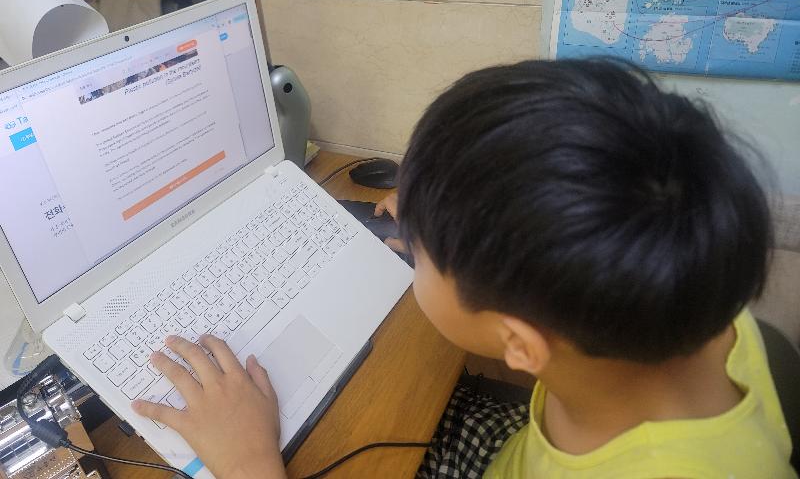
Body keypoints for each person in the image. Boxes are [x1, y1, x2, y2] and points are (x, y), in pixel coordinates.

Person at [132, 59, 796, 478]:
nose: (407, 234)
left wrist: (250, 465)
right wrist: (447, 214)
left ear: (520, 345)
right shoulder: (685, 283)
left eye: (421, 251)